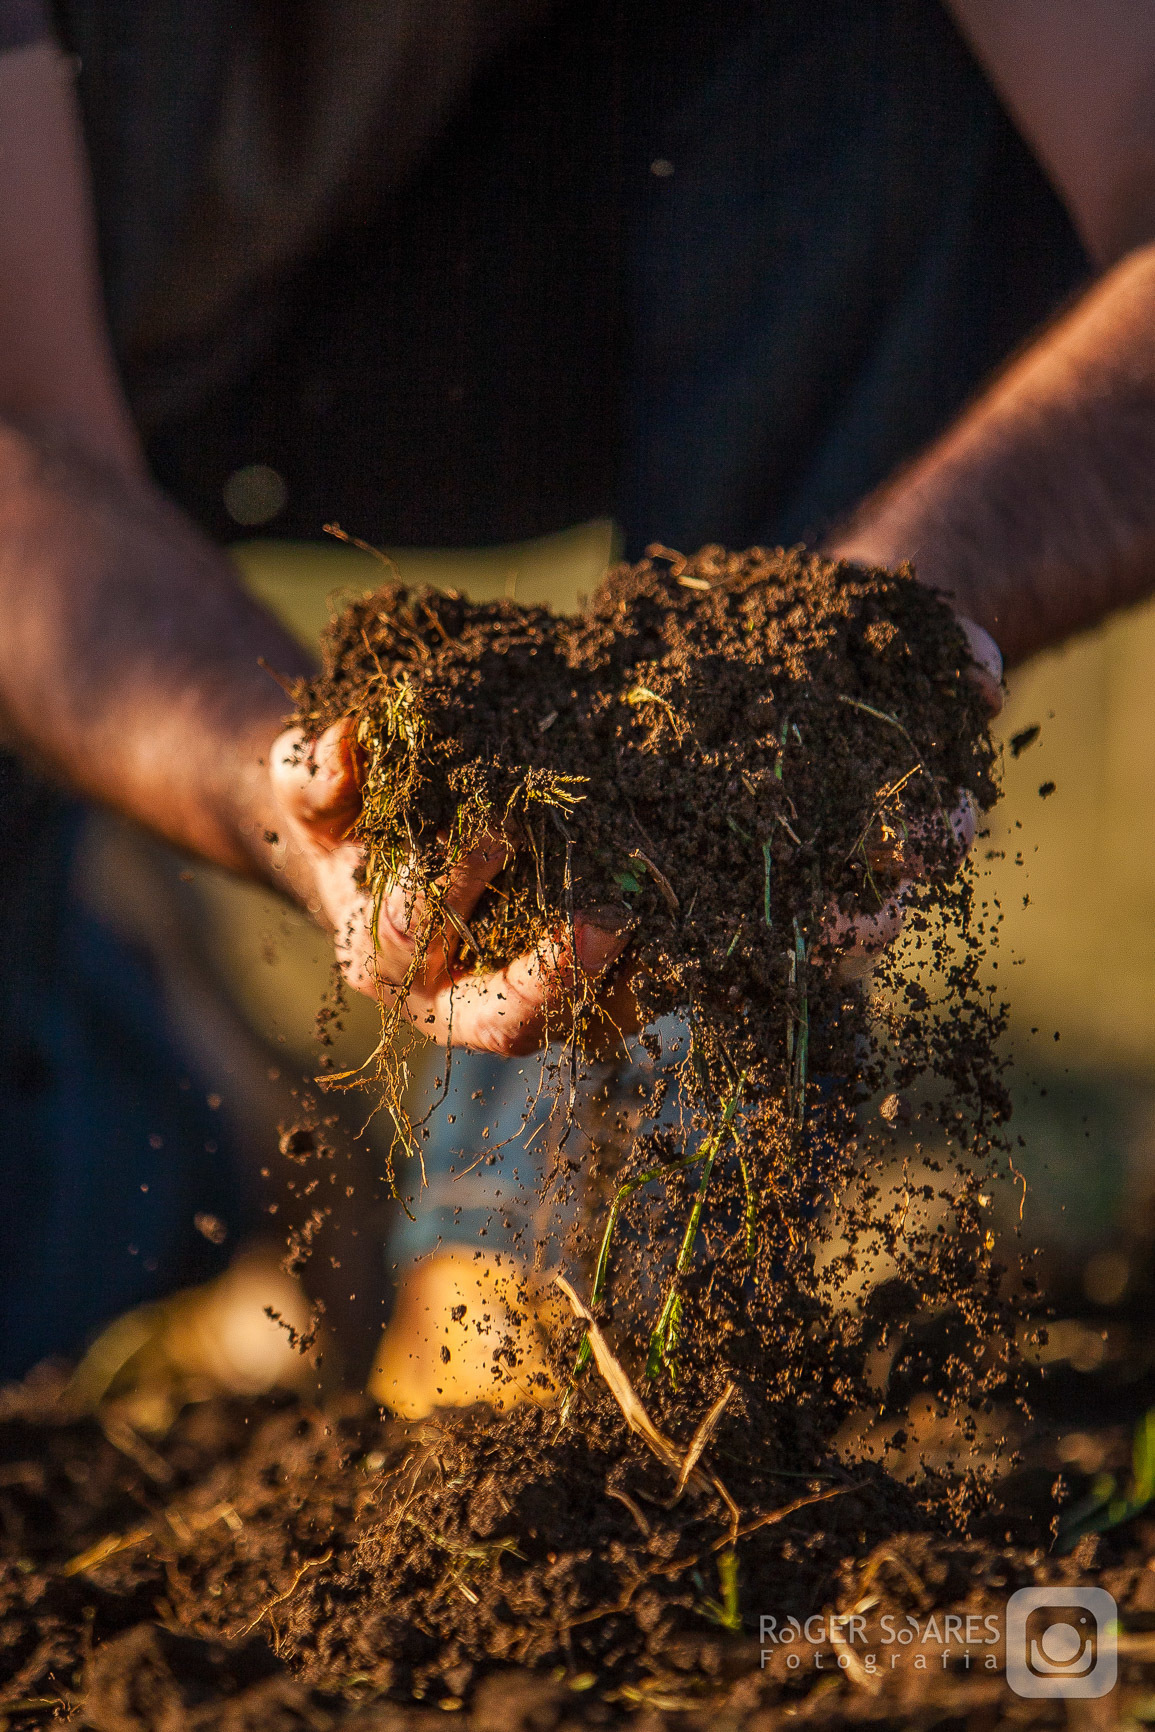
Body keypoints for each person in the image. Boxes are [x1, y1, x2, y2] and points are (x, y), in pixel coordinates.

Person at [1, 0, 1152, 1372]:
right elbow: (22, 442)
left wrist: (865, 638)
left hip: (486, 261)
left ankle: (552, 1255)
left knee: (901, 68)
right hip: (57, 403)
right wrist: (294, 782)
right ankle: (182, 1090)